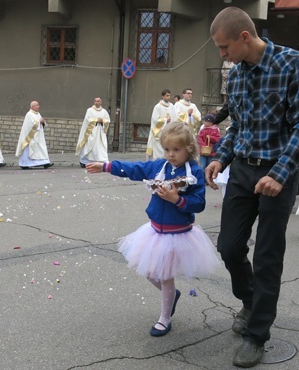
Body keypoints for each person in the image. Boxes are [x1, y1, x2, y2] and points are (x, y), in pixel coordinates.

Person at [206, 7, 299, 367]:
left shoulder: (293, 63)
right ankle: (251, 301)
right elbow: (236, 126)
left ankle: (257, 335)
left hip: (277, 174)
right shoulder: (236, 76)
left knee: (268, 256)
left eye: (224, 48)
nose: (222, 56)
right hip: (242, 172)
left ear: (244, 37)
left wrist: (281, 174)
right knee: (229, 247)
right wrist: (220, 158)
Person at [85, 122, 220, 337]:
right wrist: (106, 166)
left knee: (165, 275)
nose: (171, 154)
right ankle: (172, 294)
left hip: (177, 234)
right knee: (148, 271)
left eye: (176, 150)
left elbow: (199, 203)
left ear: (189, 149)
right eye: (167, 149)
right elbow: (135, 169)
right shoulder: (159, 166)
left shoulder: (194, 172)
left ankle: (164, 318)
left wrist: (177, 199)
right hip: (155, 230)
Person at [15, 101, 54, 169]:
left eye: (38, 105)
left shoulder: (38, 114)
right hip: (30, 137)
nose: (38, 106)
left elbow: (41, 122)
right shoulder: (29, 114)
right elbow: (31, 125)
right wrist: (39, 121)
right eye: (37, 105)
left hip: (38, 136)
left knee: (41, 149)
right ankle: (24, 164)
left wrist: (42, 122)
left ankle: (45, 163)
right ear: (32, 107)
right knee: (27, 150)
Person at [76, 97, 110, 167]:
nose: (96, 103)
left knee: (101, 147)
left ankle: (102, 161)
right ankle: (84, 162)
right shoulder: (90, 110)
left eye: (98, 101)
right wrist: (96, 120)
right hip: (91, 132)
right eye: (95, 101)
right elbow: (87, 119)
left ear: (101, 102)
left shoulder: (104, 111)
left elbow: (108, 120)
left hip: (100, 133)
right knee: (88, 146)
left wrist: (103, 121)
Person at [146, 89, 176, 160]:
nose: (168, 97)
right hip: (159, 133)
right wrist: (165, 120)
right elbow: (155, 119)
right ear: (163, 96)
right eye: (167, 96)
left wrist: (171, 121)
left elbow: (174, 117)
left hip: (168, 132)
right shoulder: (158, 107)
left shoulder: (171, 106)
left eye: (169, 96)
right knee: (158, 154)